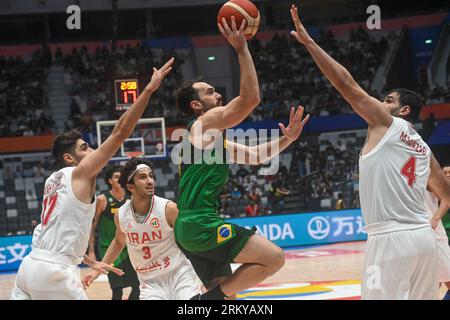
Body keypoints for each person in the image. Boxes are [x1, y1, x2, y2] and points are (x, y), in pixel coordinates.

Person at [290, 5, 450, 299]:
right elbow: (446, 191)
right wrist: (434, 218)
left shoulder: (386, 122)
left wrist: (310, 43)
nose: (379, 101)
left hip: (390, 238)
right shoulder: (425, 148)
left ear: (403, 110)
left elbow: (344, 83)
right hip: (423, 239)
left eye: (388, 99)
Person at [10, 58, 174, 300]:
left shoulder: (52, 181)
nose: (92, 151)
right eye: (85, 148)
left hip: (29, 267)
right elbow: (119, 133)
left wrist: (87, 260)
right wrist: (149, 89)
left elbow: (52, 233)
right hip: (55, 273)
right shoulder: (80, 172)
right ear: (69, 157)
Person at [174, 16, 309, 300]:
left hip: (192, 227)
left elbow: (257, 155)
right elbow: (249, 100)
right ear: (196, 105)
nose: (218, 95)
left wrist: (288, 139)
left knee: (227, 294)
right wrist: (241, 48)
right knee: (273, 258)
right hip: (200, 224)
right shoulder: (204, 123)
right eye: (210, 92)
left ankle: (209, 299)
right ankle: (205, 301)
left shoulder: (211, 138)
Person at [83, 158, 201, 300]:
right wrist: (97, 269)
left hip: (179, 275)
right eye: (143, 177)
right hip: (149, 283)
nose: (150, 181)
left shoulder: (168, 209)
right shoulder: (121, 215)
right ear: (131, 187)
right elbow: (119, 241)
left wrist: (205, 275)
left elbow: (191, 243)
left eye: (151, 176)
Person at [87, 165, 140, 300]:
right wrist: (91, 250)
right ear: (110, 180)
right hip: (108, 249)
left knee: (138, 286)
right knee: (117, 291)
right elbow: (92, 227)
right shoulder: (102, 200)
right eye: (116, 177)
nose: (119, 179)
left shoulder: (131, 199)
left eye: (121, 177)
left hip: (129, 248)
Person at [427, 165, 450, 300]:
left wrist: (435, 218)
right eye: (444, 172)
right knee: (434, 279)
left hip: (440, 236)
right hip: (438, 235)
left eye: (449, 172)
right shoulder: (436, 187)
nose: (447, 174)